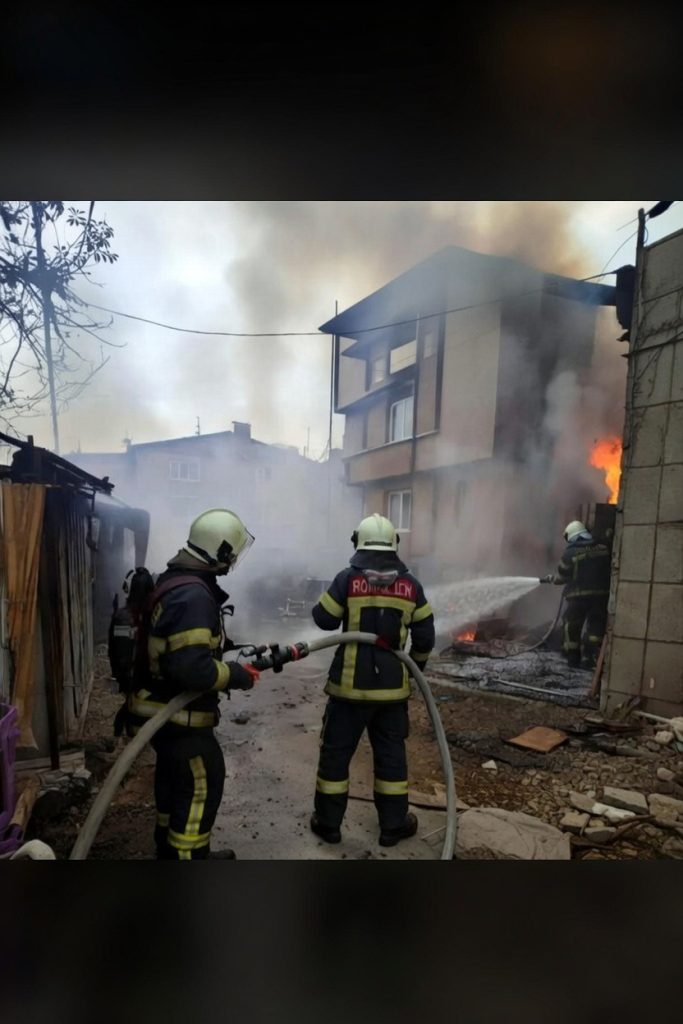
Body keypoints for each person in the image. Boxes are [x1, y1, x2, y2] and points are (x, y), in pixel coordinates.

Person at [127, 508, 260, 860]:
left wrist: (228, 650)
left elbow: (184, 647)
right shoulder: (193, 596)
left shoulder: (177, 582)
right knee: (202, 781)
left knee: (175, 781)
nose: (232, 560)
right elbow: (191, 670)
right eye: (230, 553)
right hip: (177, 717)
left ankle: (168, 851)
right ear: (219, 551)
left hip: (158, 711)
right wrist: (237, 675)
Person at [309, 513, 435, 848]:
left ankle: (328, 824)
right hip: (392, 695)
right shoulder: (412, 586)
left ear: (358, 543)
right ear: (395, 544)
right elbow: (425, 637)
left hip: (348, 692)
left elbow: (322, 619)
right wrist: (413, 670)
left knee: (336, 756)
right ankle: (393, 826)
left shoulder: (346, 579)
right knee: (391, 757)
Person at [543, 519, 611, 669]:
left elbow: (562, 577)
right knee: (596, 627)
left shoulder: (570, 553)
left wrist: (552, 579)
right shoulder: (602, 548)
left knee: (571, 626)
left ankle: (572, 658)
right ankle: (591, 658)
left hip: (578, 596)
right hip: (601, 596)